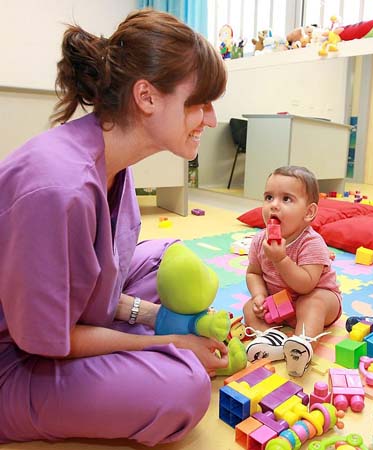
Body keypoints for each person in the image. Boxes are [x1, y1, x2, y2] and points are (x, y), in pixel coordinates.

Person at [0, 9, 230, 446]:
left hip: (60, 321)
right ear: (146, 97)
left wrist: (154, 317)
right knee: (183, 388)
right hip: (16, 359)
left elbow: (99, 271)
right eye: (199, 102)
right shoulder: (58, 188)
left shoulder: (112, 163)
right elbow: (47, 339)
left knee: (169, 260)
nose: (212, 119)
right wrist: (170, 343)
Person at [243, 166, 342, 377]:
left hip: (319, 300)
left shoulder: (312, 242)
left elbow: (306, 284)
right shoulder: (260, 240)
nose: (274, 206)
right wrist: (259, 295)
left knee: (311, 302)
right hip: (280, 304)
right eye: (269, 197)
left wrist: (280, 259)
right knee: (249, 308)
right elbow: (253, 273)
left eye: (286, 199)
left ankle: (302, 345)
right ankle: (271, 340)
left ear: (309, 212)